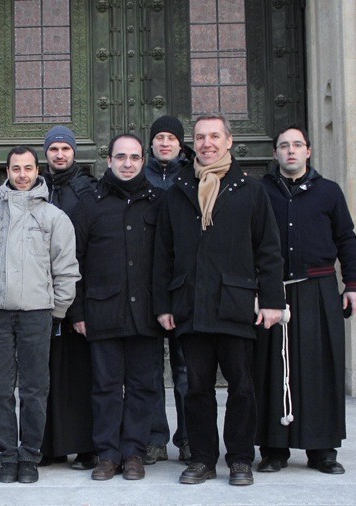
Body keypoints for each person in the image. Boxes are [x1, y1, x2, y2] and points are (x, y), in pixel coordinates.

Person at [153, 115, 285, 487]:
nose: (207, 143)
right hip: (191, 305)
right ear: (192, 143)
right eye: (200, 137)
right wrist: (163, 304)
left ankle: (240, 459)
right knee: (196, 389)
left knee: (242, 387)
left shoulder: (251, 189)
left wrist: (272, 301)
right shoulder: (177, 190)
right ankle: (202, 459)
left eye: (214, 136)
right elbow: (163, 254)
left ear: (229, 141)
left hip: (235, 304)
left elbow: (268, 249)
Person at [0, 146, 80, 484]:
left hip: (36, 313)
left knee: (34, 389)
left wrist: (58, 310)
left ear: (37, 171)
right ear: (7, 172)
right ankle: (7, 455)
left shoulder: (55, 218)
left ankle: (29, 455)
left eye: (28, 168)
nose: (22, 175)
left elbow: (66, 268)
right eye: (16, 168)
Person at [254, 125, 356, 475]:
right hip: (272, 292)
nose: (291, 151)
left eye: (297, 145)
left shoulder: (329, 192)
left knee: (320, 369)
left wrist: (354, 284)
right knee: (272, 369)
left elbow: (346, 239)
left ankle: (322, 450)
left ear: (308, 151)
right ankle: (274, 450)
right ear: (275, 153)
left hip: (318, 290)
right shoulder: (260, 191)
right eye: (284, 145)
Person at [70, 134, 166, 481]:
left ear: (143, 161)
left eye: (134, 157)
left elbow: (168, 258)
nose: (128, 163)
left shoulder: (159, 202)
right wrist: (77, 311)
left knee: (143, 387)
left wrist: (166, 307)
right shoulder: (89, 204)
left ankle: (134, 453)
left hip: (146, 313)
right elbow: (74, 261)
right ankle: (108, 454)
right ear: (108, 160)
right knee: (105, 388)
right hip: (102, 311)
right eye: (121, 157)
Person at [40, 126, 98, 470]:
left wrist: (79, 303)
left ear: (74, 152)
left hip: (78, 293)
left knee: (80, 372)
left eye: (65, 148)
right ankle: (51, 445)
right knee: (45, 372)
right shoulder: (36, 187)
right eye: (54, 149)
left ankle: (86, 446)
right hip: (39, 294)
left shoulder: (89, 189)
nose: (59, 154)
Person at [144, 116, 193, 465]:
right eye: (159, 137)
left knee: (186, 370)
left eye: (171, 138)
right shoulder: (138, 175)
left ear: (180, 143)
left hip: (183, 285)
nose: (164, 143)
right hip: (145, 285)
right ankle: (154, 438)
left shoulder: (193, 177)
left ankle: (188, 438)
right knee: (149, 370)